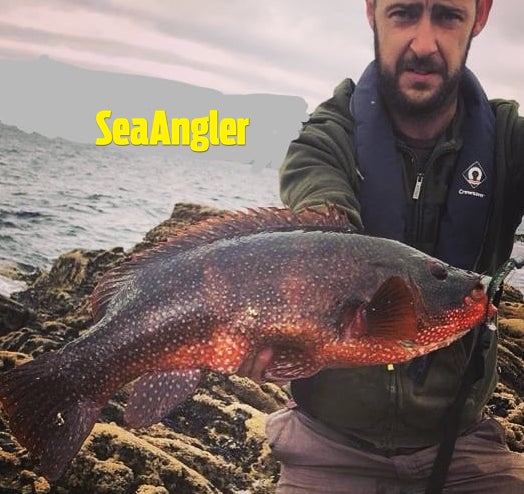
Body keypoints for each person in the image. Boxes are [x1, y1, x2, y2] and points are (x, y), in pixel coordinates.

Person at [240, 0, 524, 492]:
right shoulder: (326, 139)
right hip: (324, 451)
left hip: (464, 447)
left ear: (480, 16)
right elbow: (320, 214)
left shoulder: (509, 144)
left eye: (448, 16)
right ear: (371, 11)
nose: (423, 43)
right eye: (404, 13)